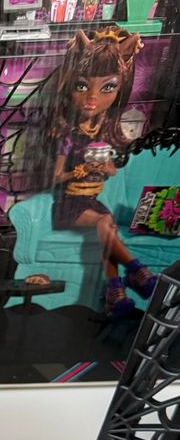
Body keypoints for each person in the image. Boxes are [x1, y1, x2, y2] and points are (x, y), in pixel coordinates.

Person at [49, 27, 156, 319]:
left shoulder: (101, 135)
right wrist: (79, 170)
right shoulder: (68, 137)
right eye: (82, 86)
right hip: (70, 204)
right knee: (103, 223)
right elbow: (56, 177)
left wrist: (102, 166)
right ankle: (134, 271)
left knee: (106, 226)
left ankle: (115, 291)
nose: (92, 98)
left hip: (92, 201)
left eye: (107, 88)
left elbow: (111, 170)